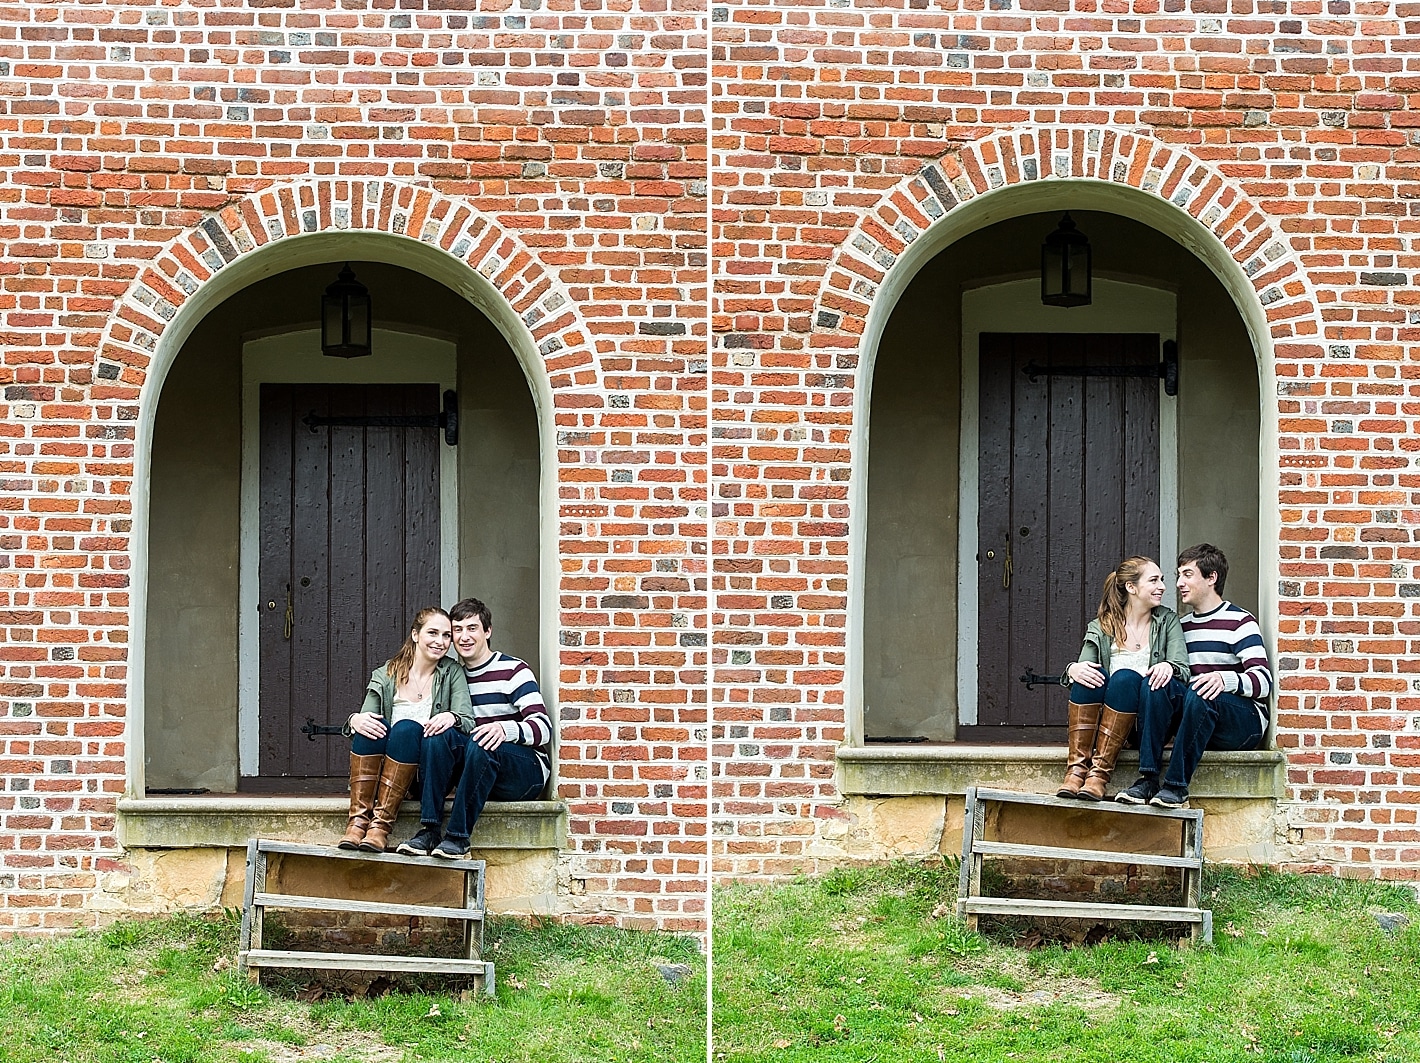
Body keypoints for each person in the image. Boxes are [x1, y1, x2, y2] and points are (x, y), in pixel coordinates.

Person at [1116, 543, 1271, 809]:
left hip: (1242, 724)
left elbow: (1263, 682)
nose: (1178, 583)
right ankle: (1148, 779)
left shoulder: (1240, 621)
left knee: (1202, 689)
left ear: (1212, 578)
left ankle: (1176, 786)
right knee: (1156, 683)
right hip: (1198, 716)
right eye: (1178, 575)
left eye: (1187, 575)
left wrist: (1224, 680)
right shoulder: (1181, 626)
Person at [396, 597, 552, 858]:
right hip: (478, 767)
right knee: (438, 735)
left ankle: (458, 837)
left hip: (524, 772)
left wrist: (504, 729)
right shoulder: (450, 676)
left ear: (487, 631)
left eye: (472, 628)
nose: (464, 637)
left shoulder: (513, 669)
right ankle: (429, 831)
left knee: (483, 739)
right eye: (457, 630)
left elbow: (543, 728)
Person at [339, 606, 475, 853]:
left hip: (426, 778)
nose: (441, 641)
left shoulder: (452, 672)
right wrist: (354, 720)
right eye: (433, 633)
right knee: (370, 725)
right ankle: (357, 824)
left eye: (446, 636)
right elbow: (367, 717)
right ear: (415, 635)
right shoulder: (386, 673)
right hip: (384, 776)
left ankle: (380, 827)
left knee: (406, 730)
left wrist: (451, 717)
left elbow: (467, 720)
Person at [1058, 556, 1190, 801]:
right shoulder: (1102, 626)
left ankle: (1099, 774)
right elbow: (1085, 667)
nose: (1162, 586)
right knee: (1089, 675)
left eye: (1161, 580)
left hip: (1147, 726)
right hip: (1107, 725)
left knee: (1125, 679)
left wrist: (1168, 667)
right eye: (1154, 580)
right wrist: (1072, 670)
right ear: (1131, 587)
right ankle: (1076, 772)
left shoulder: (1167, 621)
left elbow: (1182, 667)